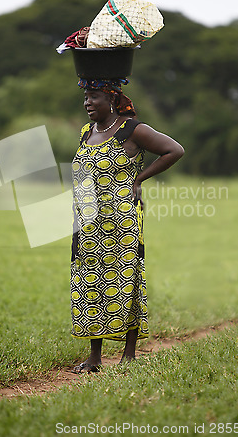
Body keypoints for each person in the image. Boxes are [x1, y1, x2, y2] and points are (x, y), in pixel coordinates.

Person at [70, 78, 184, 373]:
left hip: (122, 222)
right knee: (90, 285)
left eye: (94, 96)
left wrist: (138, 179)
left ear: (111, 98)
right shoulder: (86, 133)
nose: (87, 103)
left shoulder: (133, 130)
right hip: (88, 224)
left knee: (126, 281)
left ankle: (129, 355)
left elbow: (174, 150)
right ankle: (94, 358)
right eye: (85, 97)